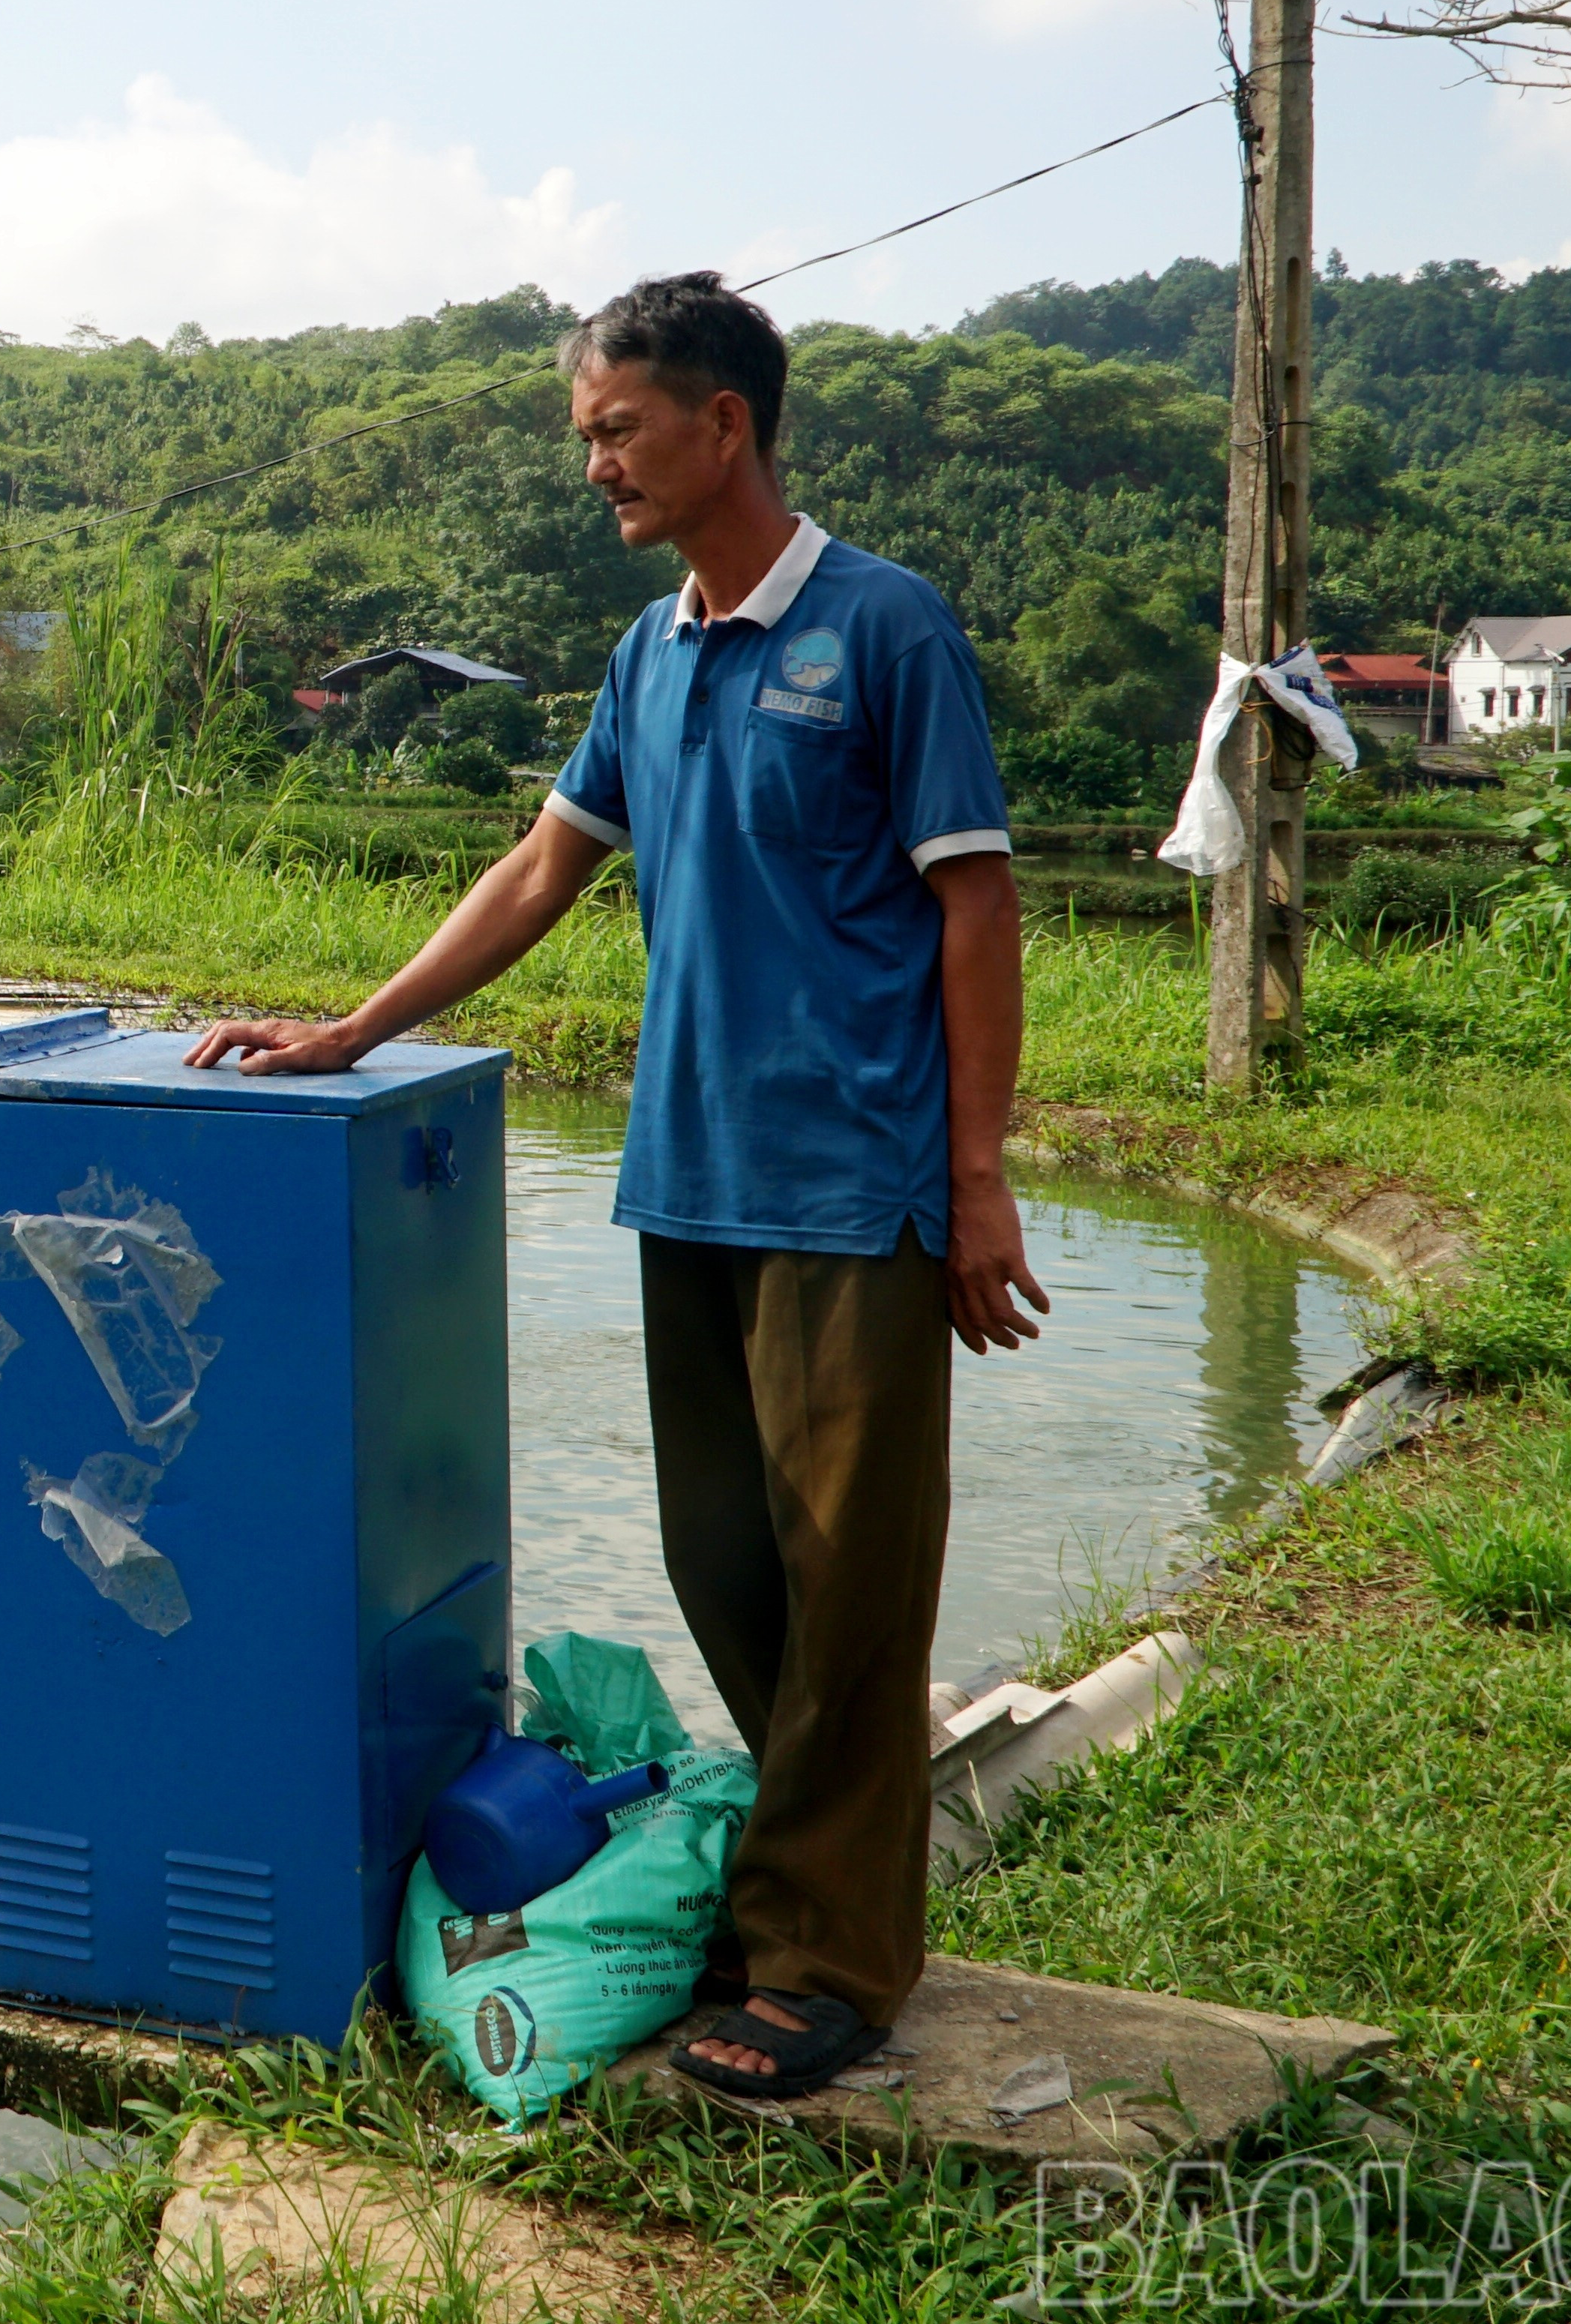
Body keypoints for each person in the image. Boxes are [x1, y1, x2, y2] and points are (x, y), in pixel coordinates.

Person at [187, 270, 1046, 2101]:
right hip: (694, 1179)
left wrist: (977, 1181)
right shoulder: (650, 657)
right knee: (721, 1558)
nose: (598, 462)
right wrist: (350, 1026)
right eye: (587, 433)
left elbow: (976, 905)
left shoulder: (884, 628)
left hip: (854, 1189)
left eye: (618, 427)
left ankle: (825, 1961)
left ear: (723, 418)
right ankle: (806, 1885)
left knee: (848, 1584)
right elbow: (538, 867)